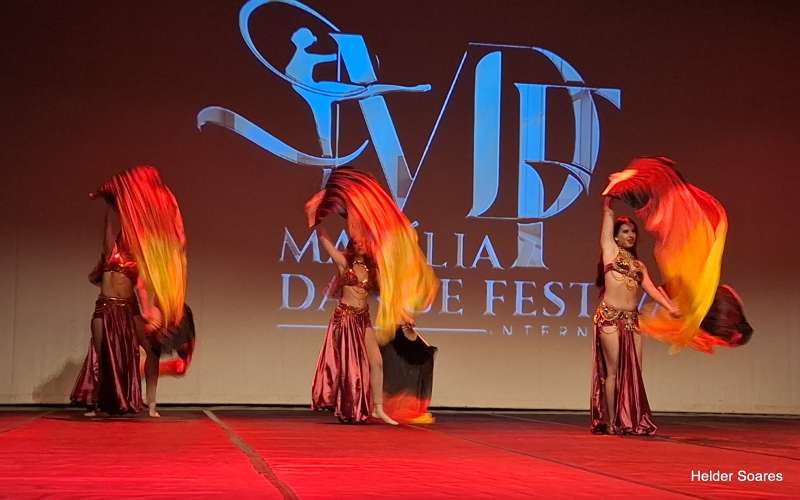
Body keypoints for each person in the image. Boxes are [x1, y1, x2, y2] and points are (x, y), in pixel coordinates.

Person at [591, 193, 679, 435]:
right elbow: (607, 221)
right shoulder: (610, 251)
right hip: (610, 317)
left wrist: (670, 307)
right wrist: (608, 204)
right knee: (613, 371)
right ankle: (611, 422)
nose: (630, 235)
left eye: (633, 232)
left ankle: (629, 419)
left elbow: (651, 289)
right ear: (616, 237)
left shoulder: (639, 266)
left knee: (634, 372)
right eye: (625, 231)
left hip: (631, 320)